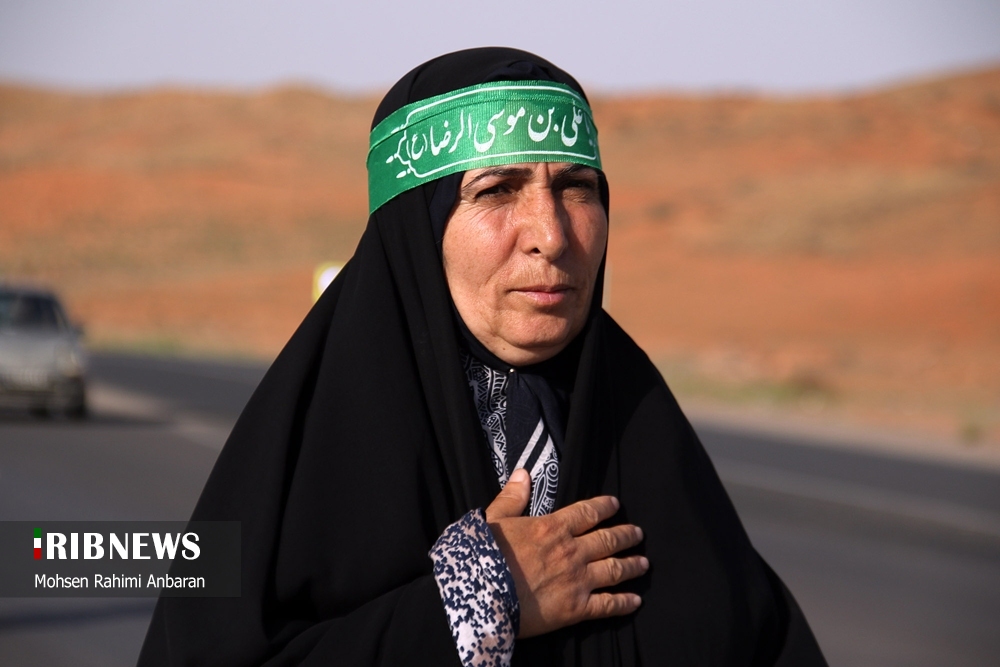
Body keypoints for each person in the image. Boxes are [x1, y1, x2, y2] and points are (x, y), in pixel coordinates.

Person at [138, 47, 827, 666]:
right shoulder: (314, 447)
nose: (552, 234)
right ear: (417, 227)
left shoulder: (645, 429)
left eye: (576, 188)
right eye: (496, 191)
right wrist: (474, 602)